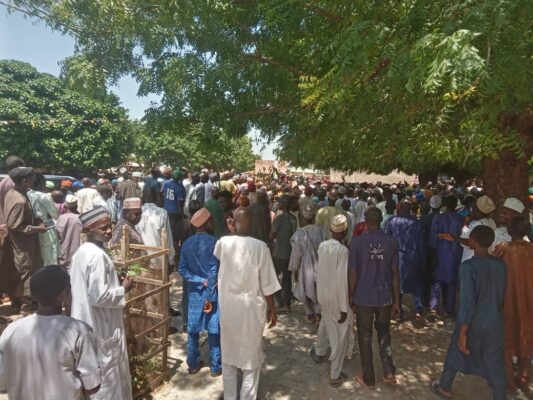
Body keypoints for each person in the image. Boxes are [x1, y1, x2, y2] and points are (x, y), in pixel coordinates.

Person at [0, 266, 101, 400]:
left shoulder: (11, 331)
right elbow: (92, 386)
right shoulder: (78, 331)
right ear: (63, 294)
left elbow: (2, 382)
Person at [430, 225, 506, 400]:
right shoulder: (500, 265)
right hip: (494, 321)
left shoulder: (468, 267)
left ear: (474, 241)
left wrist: (463, 331)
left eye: (470, 237)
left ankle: (445, 387)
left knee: (455, 353)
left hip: (472, 322)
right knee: (496, 363)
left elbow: (467, 302)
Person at [214, 207, 280, 400]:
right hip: (251, 309)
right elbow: (268, 284)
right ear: (252, 222)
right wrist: (273, 310)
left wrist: (231, 229)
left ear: (232, 223)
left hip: (228, 308)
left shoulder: (223, 243)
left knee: (229, 357)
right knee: (251, 359)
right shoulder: (261, 247)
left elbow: (220, 253)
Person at [69, 206, 134, 400]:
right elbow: (99, 296)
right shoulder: (96, 256)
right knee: (108, 381)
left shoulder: (82, 252)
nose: (108, 231)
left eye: (109, 226)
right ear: (88, 231)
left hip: (86, 323)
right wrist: (124, 289)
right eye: (102, 228)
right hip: (100, 326)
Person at [349, 207, 400, 389]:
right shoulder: (392, 242)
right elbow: (395, 273)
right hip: (384, 296)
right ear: (380, 220)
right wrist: (397, 301)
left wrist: (351, 295)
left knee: (365, 336)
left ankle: (369, 378)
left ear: (365, 220)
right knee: (384, 333)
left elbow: (353, 272)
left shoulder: (356, 242)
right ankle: (388, 372)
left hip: (363, 296)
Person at [310, 214, 352, 388]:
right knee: (339, 337)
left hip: (323, 294)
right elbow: (342, 280)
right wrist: (344, 308)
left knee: (326, 323)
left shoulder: (323, 246)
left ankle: (319, 351)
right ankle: (335, 375)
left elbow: (319, 271)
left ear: (330, 230)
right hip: (337, 298)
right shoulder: (343, 251)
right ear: (346, 231)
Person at [178, 208, 221, 376]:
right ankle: (216, 367)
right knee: (213, 330)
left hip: (194, 294)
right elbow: (214, 271)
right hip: (212, 293)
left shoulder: (186, 243)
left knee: (193, 330)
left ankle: (193, 364)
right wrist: (210, 292)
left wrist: (197, 280)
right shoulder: (215, 242)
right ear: (207, 223)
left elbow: (182, 269)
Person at [493, 217, 533, 393]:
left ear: (511, 230)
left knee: (505, 340)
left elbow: (491, 269)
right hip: (529, 301)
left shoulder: (503, 249)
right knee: (527, 336)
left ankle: (508, 379)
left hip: (507, 300)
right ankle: (522, 376)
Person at [3, 167, 45, 311]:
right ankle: (26, 304)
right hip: (23, 243)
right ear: (24, 181)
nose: (33, 180)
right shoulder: (19, 200)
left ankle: (20, 301)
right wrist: (36, 229)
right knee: (25, 271)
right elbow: (14, 224)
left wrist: (35, 220)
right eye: (30, 177)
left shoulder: (14, 193)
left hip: (23, 241)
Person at [385, 200, 425, 318]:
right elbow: (421, 243)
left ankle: (398, 309)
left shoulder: (392, 221)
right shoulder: (416, 223)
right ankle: (418, 309)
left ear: (400, 208)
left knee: (397, 282)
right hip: (413, 256)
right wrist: (423, 259)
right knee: (417, 283)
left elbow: (387, 239)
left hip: (397, 256)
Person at [288, 204, 325, 323]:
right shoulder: (320, 230)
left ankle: (310, 313)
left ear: (301, 217)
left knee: (305, 286)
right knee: (318, 288)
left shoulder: (299, 234)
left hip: (305, 265)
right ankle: (318, 312)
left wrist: (294, 267)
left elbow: (296, 253)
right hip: (320, 262)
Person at [429, 195, 464, 318]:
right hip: (455, 252)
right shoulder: (461, 219)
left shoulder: (438, 218)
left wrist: (433, 254)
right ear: (456, 205)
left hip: (440, 251)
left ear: (444, 205)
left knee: (437, 279)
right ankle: (449, 308)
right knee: (452, 281)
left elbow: (433, 238)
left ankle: (433, 306)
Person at [0, 156, 25, 304]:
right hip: (13, 229)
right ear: (18, 166)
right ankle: (17, 298)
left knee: (6, 265)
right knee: (16, 266)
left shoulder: (3, 182)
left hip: (4, 227)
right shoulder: (14, 183)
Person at [27, 172, 62, 266]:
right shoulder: (43, 196)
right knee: (50, 254)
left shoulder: (25, 194)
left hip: (30, 228)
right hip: (46, 228)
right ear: (42, 182)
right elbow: (55, 215)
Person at [270, 195, 298, 312]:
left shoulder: (280, 218)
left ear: (283, 205)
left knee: (274, 276)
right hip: (290, 251)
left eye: (280, 203)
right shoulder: (293, 218)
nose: (278, 204)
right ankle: (287, 303)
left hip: (279, 252)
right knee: (287, 278)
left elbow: (272, 234)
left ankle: (280, 301)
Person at [56, 195, 82, 269]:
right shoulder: (81, 218)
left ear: (65, 206)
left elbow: (57, 236)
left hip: (63, 256)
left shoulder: (61, 218)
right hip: (77, 258)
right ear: (76, 206)